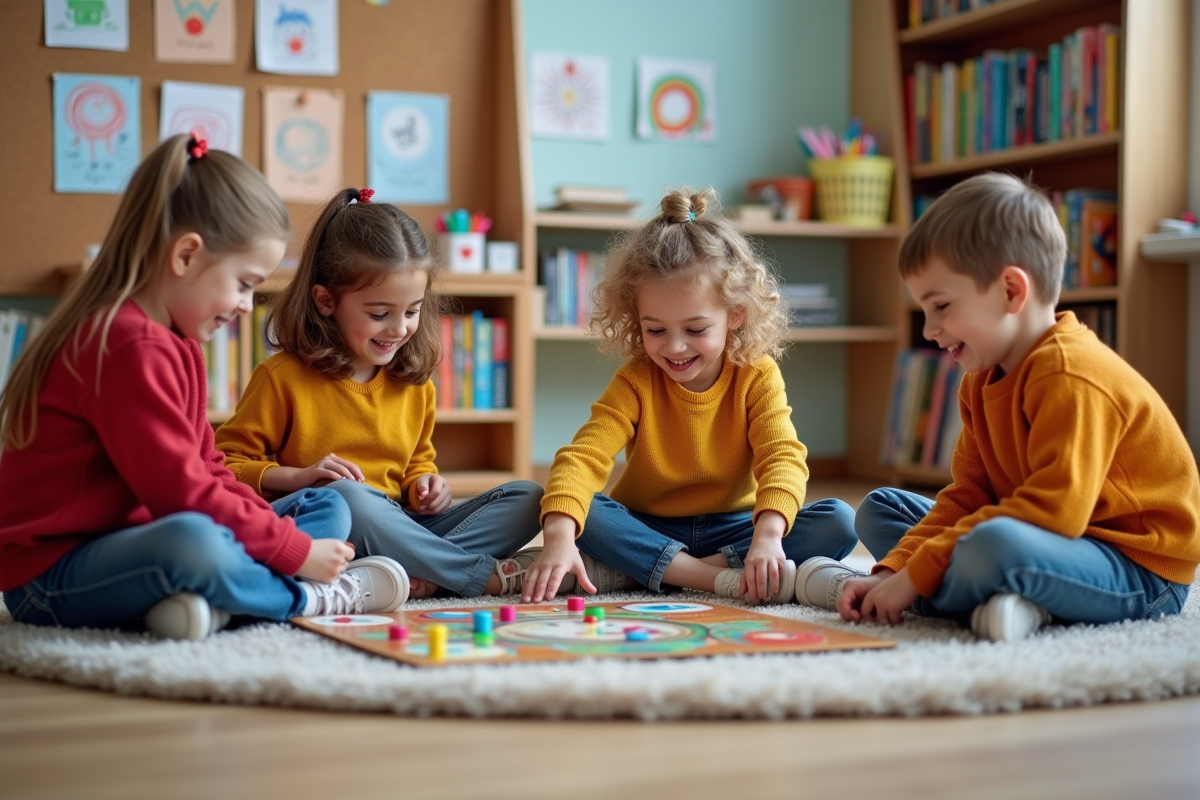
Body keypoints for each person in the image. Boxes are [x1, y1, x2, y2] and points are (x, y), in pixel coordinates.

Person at [0, 134, 410, 642]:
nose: (245, 305)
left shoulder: (178, 340)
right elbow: (182, 493)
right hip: (51, 577)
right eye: (243, 283)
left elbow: (209, 466)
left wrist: (277, 531)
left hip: (138, 536)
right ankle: (303, 597)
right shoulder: (127, 345)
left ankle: (216, 597)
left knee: (327, 505)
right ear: (186, 256)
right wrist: (294, 553)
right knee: (194, 539)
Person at [796, 172, 1200, 641]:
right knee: (879, 510)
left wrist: (916, 575)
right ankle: (996, 602)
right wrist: (894, 572)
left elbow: (1054, 512)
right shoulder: (979, 380)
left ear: (1011, 291)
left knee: (990, 545)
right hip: (1045, 542)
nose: (929, 329)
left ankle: (972, 599)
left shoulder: (1070, 373)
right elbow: (968, 497)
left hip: (1138, 570)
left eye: (941, 306)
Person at [521, 187, 858, 605]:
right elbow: (583, 457)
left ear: (735, 314)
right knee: (585, 511)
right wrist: (556, 537)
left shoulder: (757, 374)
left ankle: (666, 570)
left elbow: (782, 456)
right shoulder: (636, 380)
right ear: (635, 318)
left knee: (838, 521)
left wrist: (768, 537)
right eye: (656, 330)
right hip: (650, 525)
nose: (674, 348)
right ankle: (716, 578)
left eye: (695, 330)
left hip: (736, 527)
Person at [214, 188, 543, 600]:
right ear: (326, 301)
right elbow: (225, 465)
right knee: (349, 497)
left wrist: (425, 483)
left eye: (412, 311)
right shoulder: (281, 377)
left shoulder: (413, 381)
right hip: (333, 526)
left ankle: (418, 574)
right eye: (379, 314)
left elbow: (417, 459)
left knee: (530, 497)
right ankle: (475, 577)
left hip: (401, 526)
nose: (399, 329)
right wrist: (298, 478)